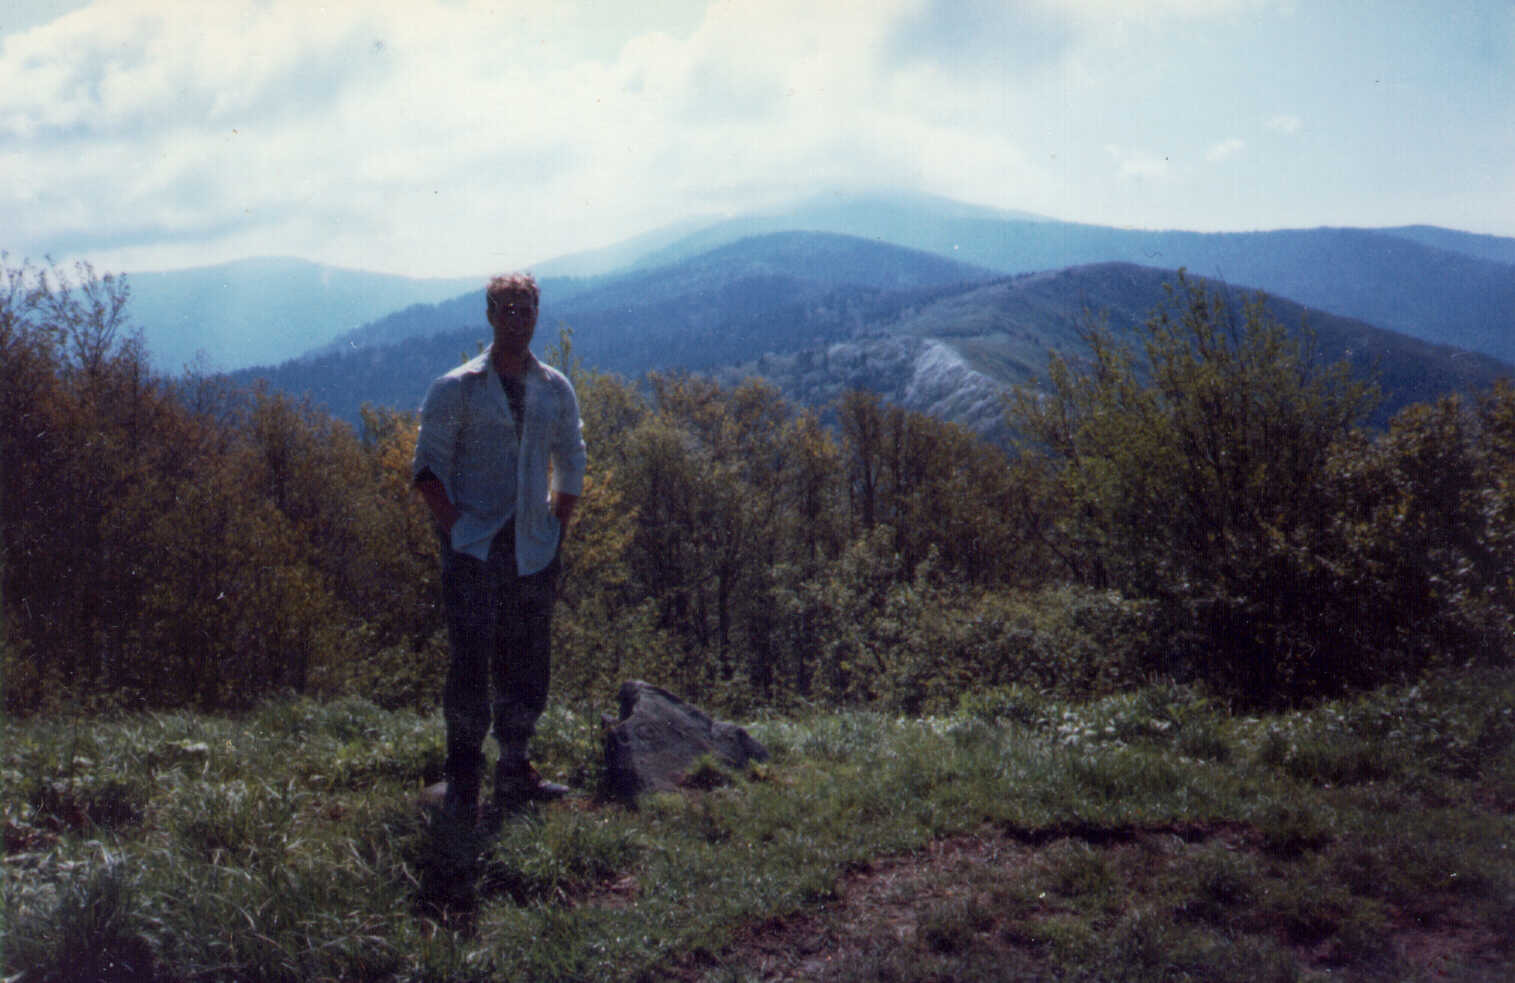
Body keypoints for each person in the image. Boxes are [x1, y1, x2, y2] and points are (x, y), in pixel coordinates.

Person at [412, 272, 586, 822]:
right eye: (507, 308)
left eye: (526, 308)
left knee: (528, 661)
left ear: (538, 314)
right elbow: (426, 471)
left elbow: (572, 456)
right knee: (469, 663)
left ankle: (515, 769)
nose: (517, 317)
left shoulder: (555, 386)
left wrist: (555, 525)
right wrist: (460, 530)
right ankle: (463, 779)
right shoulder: (457, 387)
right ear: (489, 314)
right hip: (476, 549)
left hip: (532, 548)